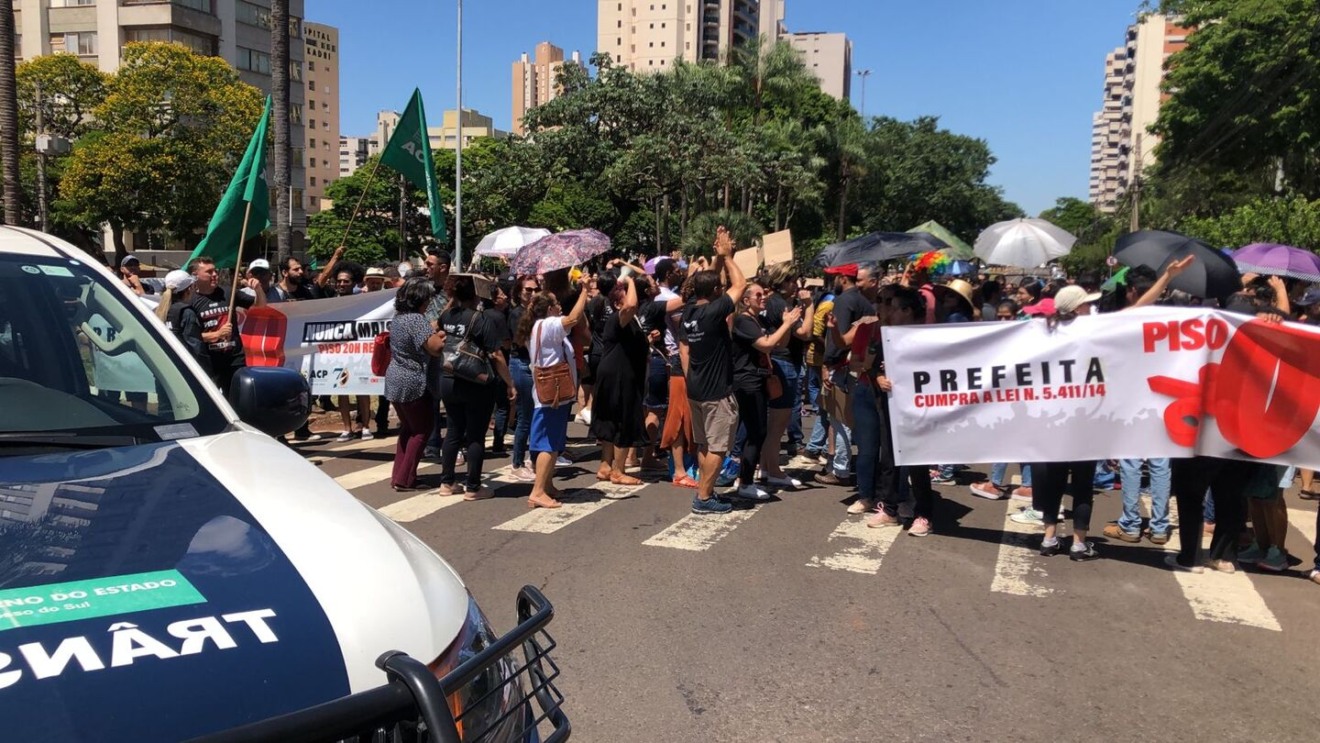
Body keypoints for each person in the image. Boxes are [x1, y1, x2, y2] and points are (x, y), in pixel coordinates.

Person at [1026, 285, 1103, 562]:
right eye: (1085, 305)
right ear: (1075, 310)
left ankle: (1049, 538)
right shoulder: (1091, 336)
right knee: (1082, 485)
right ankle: (1079, 544)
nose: (1089, 309)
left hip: (1055, 421)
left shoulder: (1045, 334)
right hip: (1083, 422)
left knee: (1054, 482)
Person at [681, 226, 747, 515]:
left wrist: (717, 259)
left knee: (705, 444)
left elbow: (716, 285)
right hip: (717, 391)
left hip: (696, 387)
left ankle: (703, 491)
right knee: (719, 447)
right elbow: (740, 285)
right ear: (717, 293)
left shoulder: (690, 311)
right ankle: (705, 498)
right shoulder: (714, 311)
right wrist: (728, 256)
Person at [435, 275, 515, 500]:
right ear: (475, 293)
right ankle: (473, 486)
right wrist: (510, 383)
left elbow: (439, 330)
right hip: (475, 381)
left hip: (448, 377)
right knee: (475, 435)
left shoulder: (446, 316)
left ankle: (447, 482)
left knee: (453, 431)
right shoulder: (480, 319)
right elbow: (496, 354)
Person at [866, 286, 937, 535]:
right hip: (891, 405)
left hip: (918, 408)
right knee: (890, 458)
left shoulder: (928, 337)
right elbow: (873, 367)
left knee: (917, 461)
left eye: (893, 308)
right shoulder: (888, 336)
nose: (887, 312)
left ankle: (923, 514)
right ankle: (888, 509)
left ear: (908, 311)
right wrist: (879, 377)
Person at [520, 276, 591, 509]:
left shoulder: (540, 326)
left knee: (553, 440)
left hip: (555, 393)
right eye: (556, 303)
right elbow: (573, 318)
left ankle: (547, 485)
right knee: (548, 444)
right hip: (551, 394)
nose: (560, 305)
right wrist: (584, 292)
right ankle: (538, 491)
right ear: (549, 308)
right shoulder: (548, 324)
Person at [732, 281, 802, 500]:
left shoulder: (758, 319)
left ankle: (750, 478)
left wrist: (786, 325)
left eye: (764, 294)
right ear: (746, 301)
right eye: (758, 295)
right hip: (747, 381)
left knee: (758, 430)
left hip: (759, 380)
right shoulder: (743, 320)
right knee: (755, 431)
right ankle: (745, 482)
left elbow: (779, 344)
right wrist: (786, 323)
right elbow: (766, 344)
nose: (764, 297)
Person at [589, 272, 650, 487]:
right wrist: (630, 281)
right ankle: (618, 470)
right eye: (621, 292)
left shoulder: (622, 319)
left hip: (613, 372)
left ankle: (606, 466)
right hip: (620, 375)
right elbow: (631, 305)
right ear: (616, 302)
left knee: (609, 419)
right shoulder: (619, 316)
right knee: (624, 418)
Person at [386, 277, 446, 492]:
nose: (429, 302)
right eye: (428, 298)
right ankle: (405, 478)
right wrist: (439, 337)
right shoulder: (416, 320)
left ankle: (399, 475)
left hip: (396, 377)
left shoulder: (399, 318)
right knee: (422, 430)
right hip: (413, 380)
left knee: (408, 429)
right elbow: (435, 348)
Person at [759, 263, 812, 472]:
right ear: (784, 282)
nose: (797, 285)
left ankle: (766, 466)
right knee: (778, 423)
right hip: (784, 362)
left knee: (772, 422)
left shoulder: (773, 302)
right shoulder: (780, 304)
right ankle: (772, 470)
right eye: (793, 280)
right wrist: (809, 305)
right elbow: (806, 333)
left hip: (777, 361)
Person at [187, 256, 263, 396]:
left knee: (238, 399)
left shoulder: (228, 292)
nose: (215, 275)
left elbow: (260, 306)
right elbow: (189, 337)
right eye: (209, 272)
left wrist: (258, 290)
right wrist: (216, 335)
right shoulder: (190, 301)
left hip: (235, 358)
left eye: (215, 271)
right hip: (209, 362)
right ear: (195, 275)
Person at [330, 265, 373, 441]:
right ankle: (347, 428)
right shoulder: (329, 302)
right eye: (339, 281)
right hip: (337, 352)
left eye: (345, 281)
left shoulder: (362, 301)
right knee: (342, 390)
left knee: (362, 389)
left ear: (353, 283)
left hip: (359, 351)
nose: (341, 284)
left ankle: (366, 427)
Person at [505, 276, 540, 481]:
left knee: (535, 415)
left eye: (536, 290)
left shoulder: (535, 313)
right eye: (528, 290)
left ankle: (532, 459)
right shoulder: (517, 314)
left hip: (533, 364)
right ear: (519, 292)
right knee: (525, 417)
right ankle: (517, 463)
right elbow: (522, 341)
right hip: (522, 365)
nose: (532, 294)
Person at [154, 269, 208, 371]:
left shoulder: (158, 311)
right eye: (193, 287)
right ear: (188, 290)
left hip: (162, 369)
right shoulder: (186, 312)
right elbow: (196, 347)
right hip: (184, 371)